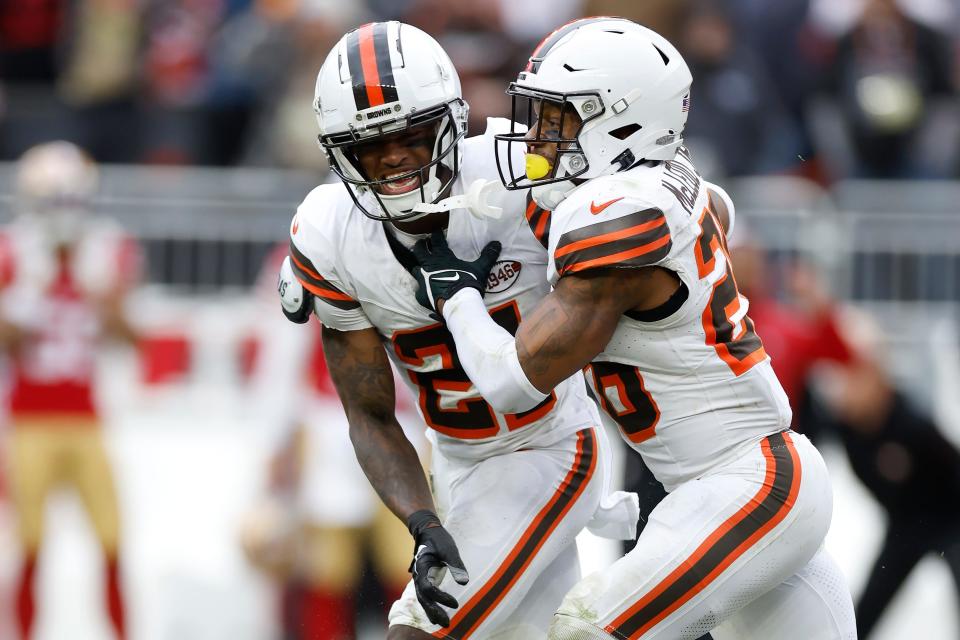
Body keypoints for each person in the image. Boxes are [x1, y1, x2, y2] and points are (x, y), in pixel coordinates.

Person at [406, 17, 858, 638]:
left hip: (748, 485)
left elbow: (512, 382)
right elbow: (716, 209)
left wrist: (457, 299)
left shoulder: (616, 216)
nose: (536, 136)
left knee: (589, 628)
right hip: (735, 487)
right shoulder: (664, 183)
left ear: (620, 121)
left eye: (556, 118)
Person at [276, 21, 637, 639]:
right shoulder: (329, 235)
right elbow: (369, 414)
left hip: (548, 446)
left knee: (416, 631)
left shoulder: (517, 173)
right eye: (370, 145)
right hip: (456, 462)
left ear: (449, 122)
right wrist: (420, 518)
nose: (392, 157)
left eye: (411, 134)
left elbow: (644, 195)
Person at [242, 246, 419, 638]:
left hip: (398, 419)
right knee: (330, 565)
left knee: (410, 562)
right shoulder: (301, 250)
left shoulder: (408, 244)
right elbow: (282, 353)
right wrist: (276, 438)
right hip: (331, 422)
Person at [0, 141, 139, 639]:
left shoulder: (107, 248)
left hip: (87, 417)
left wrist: (103, 297)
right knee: (29, 544)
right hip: (27, 420)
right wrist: (27, 296)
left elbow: (130, 336)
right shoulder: (14, 251)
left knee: (111, 540)